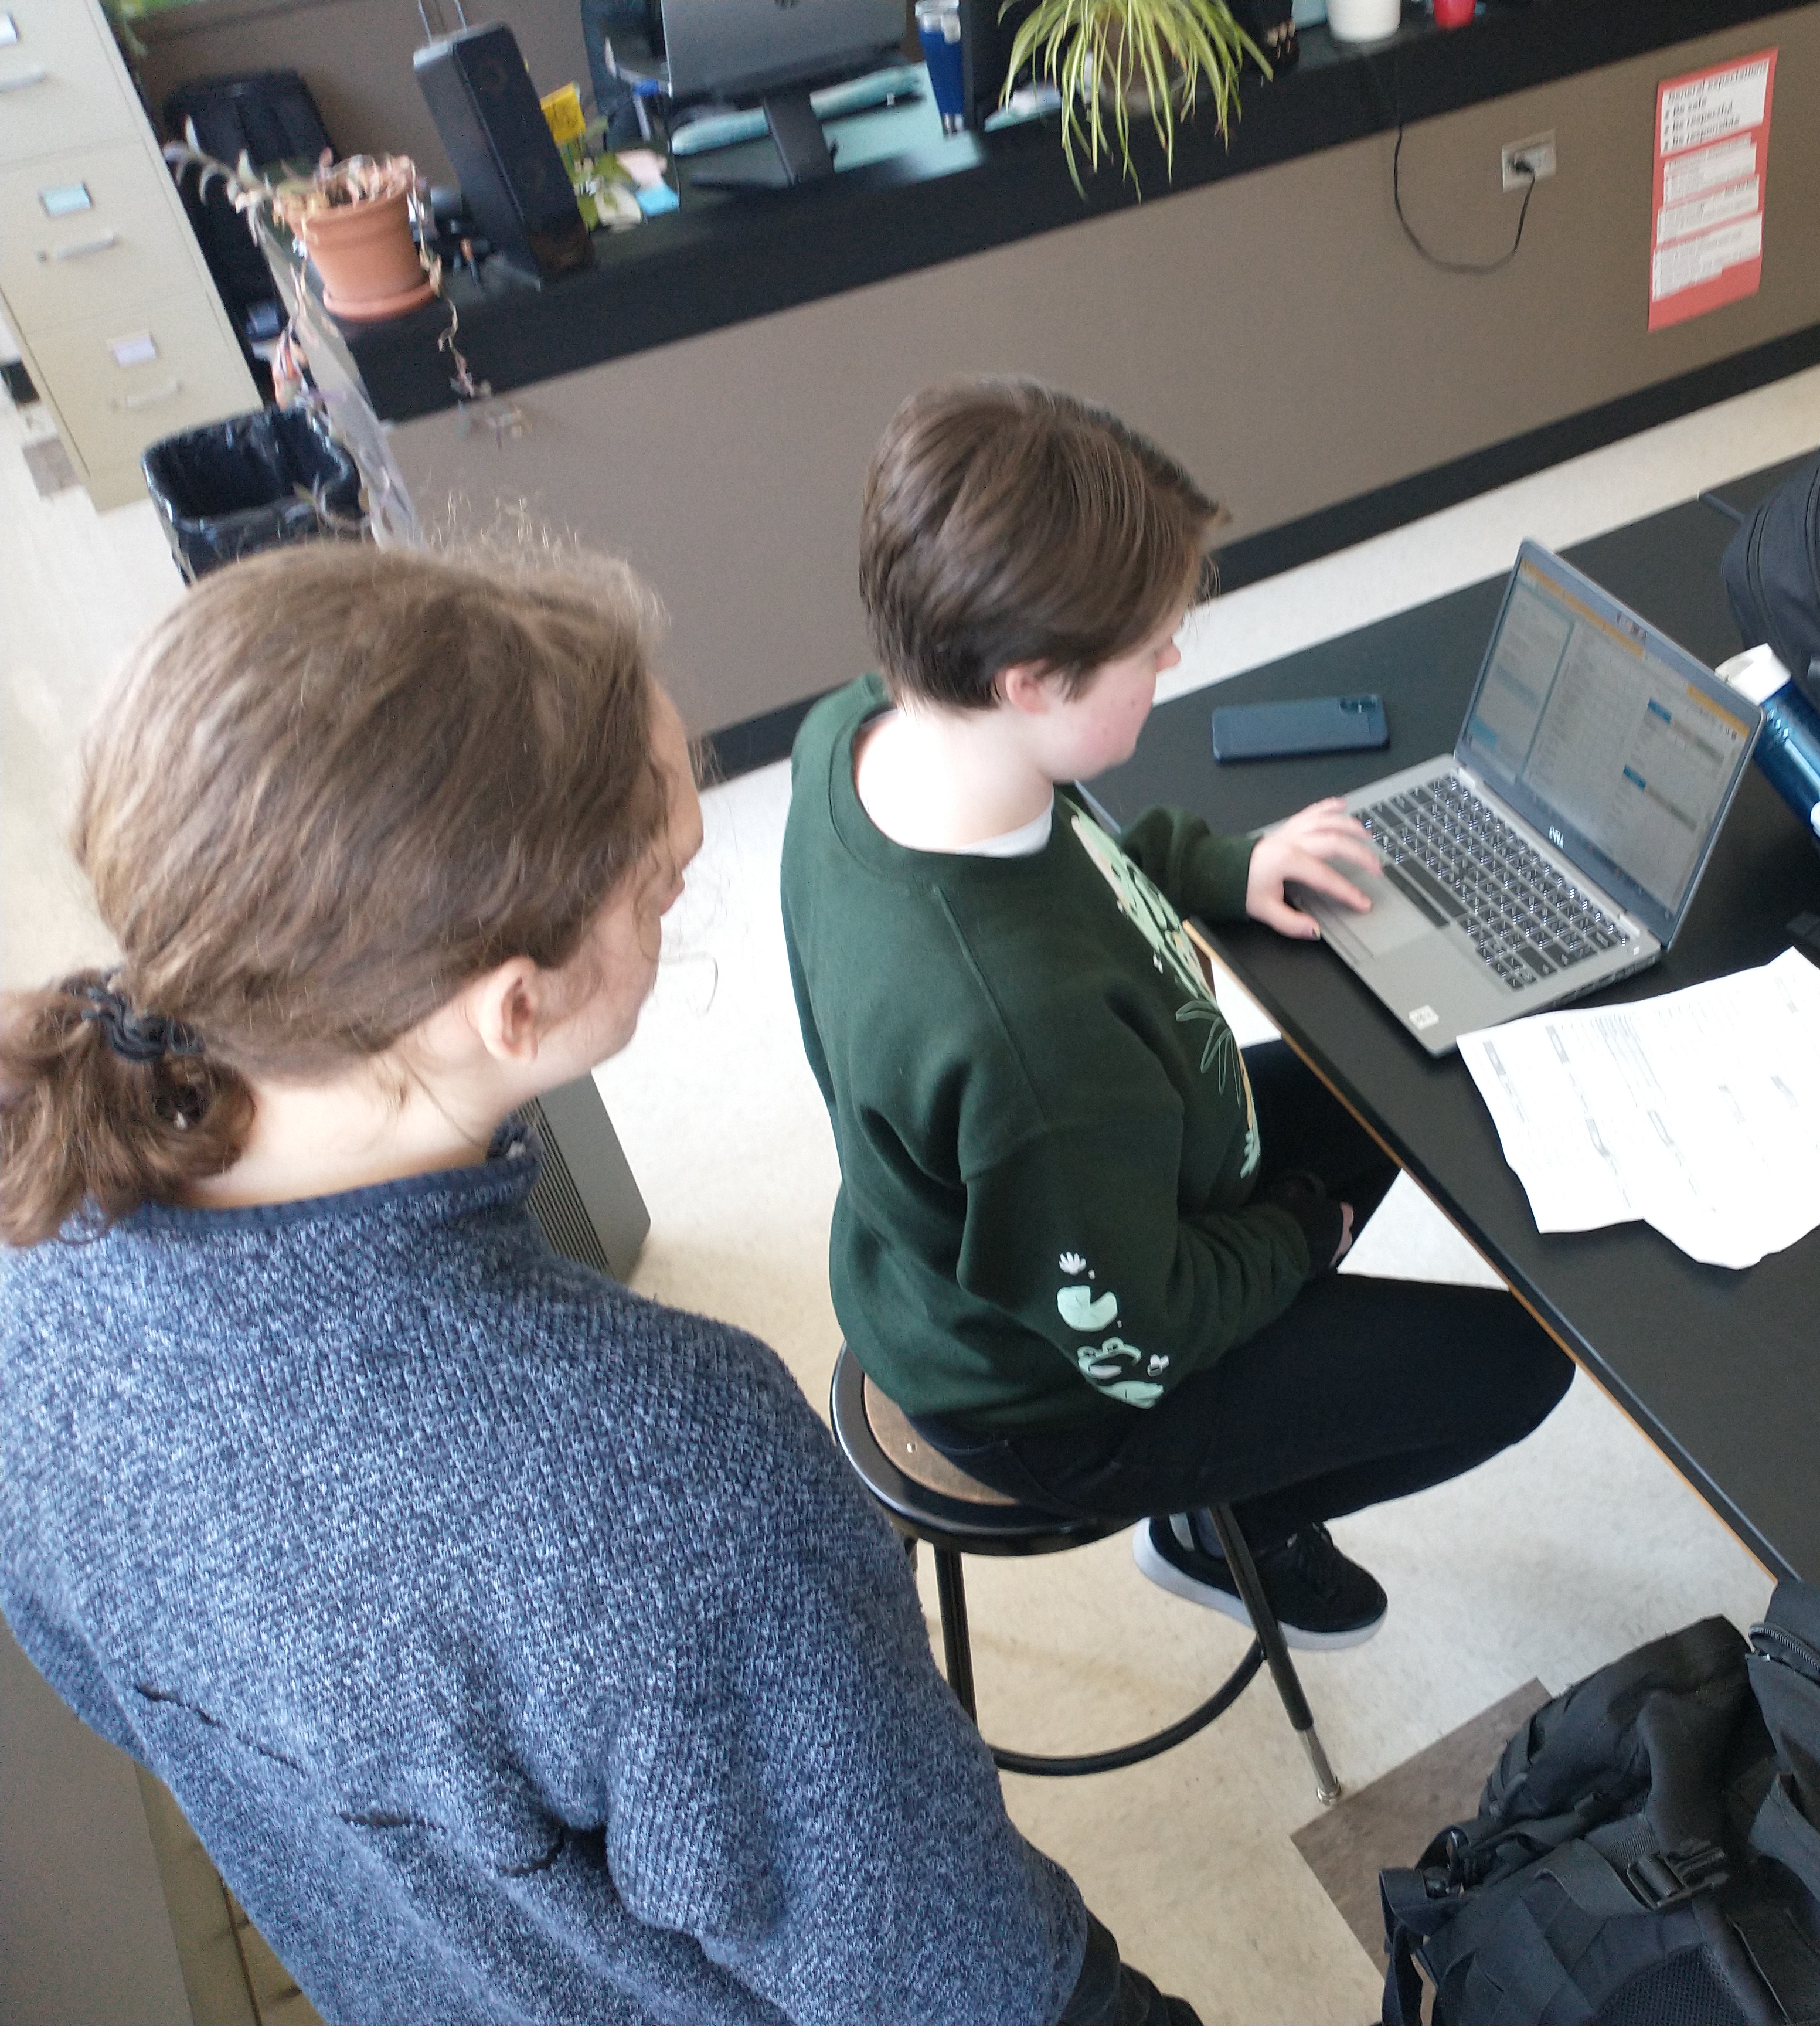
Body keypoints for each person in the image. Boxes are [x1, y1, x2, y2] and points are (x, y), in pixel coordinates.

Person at [0, 545, 1196, 2026]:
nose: (682, 893)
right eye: (666, 882)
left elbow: (111, 1689)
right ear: (520, 1004)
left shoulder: (29, 1259)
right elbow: (959, 1985)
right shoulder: (662, 1467)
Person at [780, 378, 1573, 1650]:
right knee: (1520, 1365)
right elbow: (1140, 1336)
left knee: (1397, 1073)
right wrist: (1297, 1237)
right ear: (1031, 679)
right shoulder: (1026, 1037)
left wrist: (1222, 869)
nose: (1174, 660)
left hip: (1051, 1213)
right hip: (1064, 1395)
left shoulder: (864, 735)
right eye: (1150, 647)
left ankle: (1243, 1449)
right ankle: (1227, 1528)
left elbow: (1075, 852)